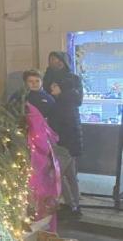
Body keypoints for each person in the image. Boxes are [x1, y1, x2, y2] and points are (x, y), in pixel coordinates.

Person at [43, 51, 83, 218]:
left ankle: (73, 204)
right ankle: (69, 204)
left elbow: (78, 100)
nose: (54, 63)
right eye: (51, 60)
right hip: (53, 129)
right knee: (62, 171)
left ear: (63, 62)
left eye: (57, 60)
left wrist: (61, 93)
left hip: (70, 128)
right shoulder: (46, 79)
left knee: (66, 170)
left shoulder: (72, 79)